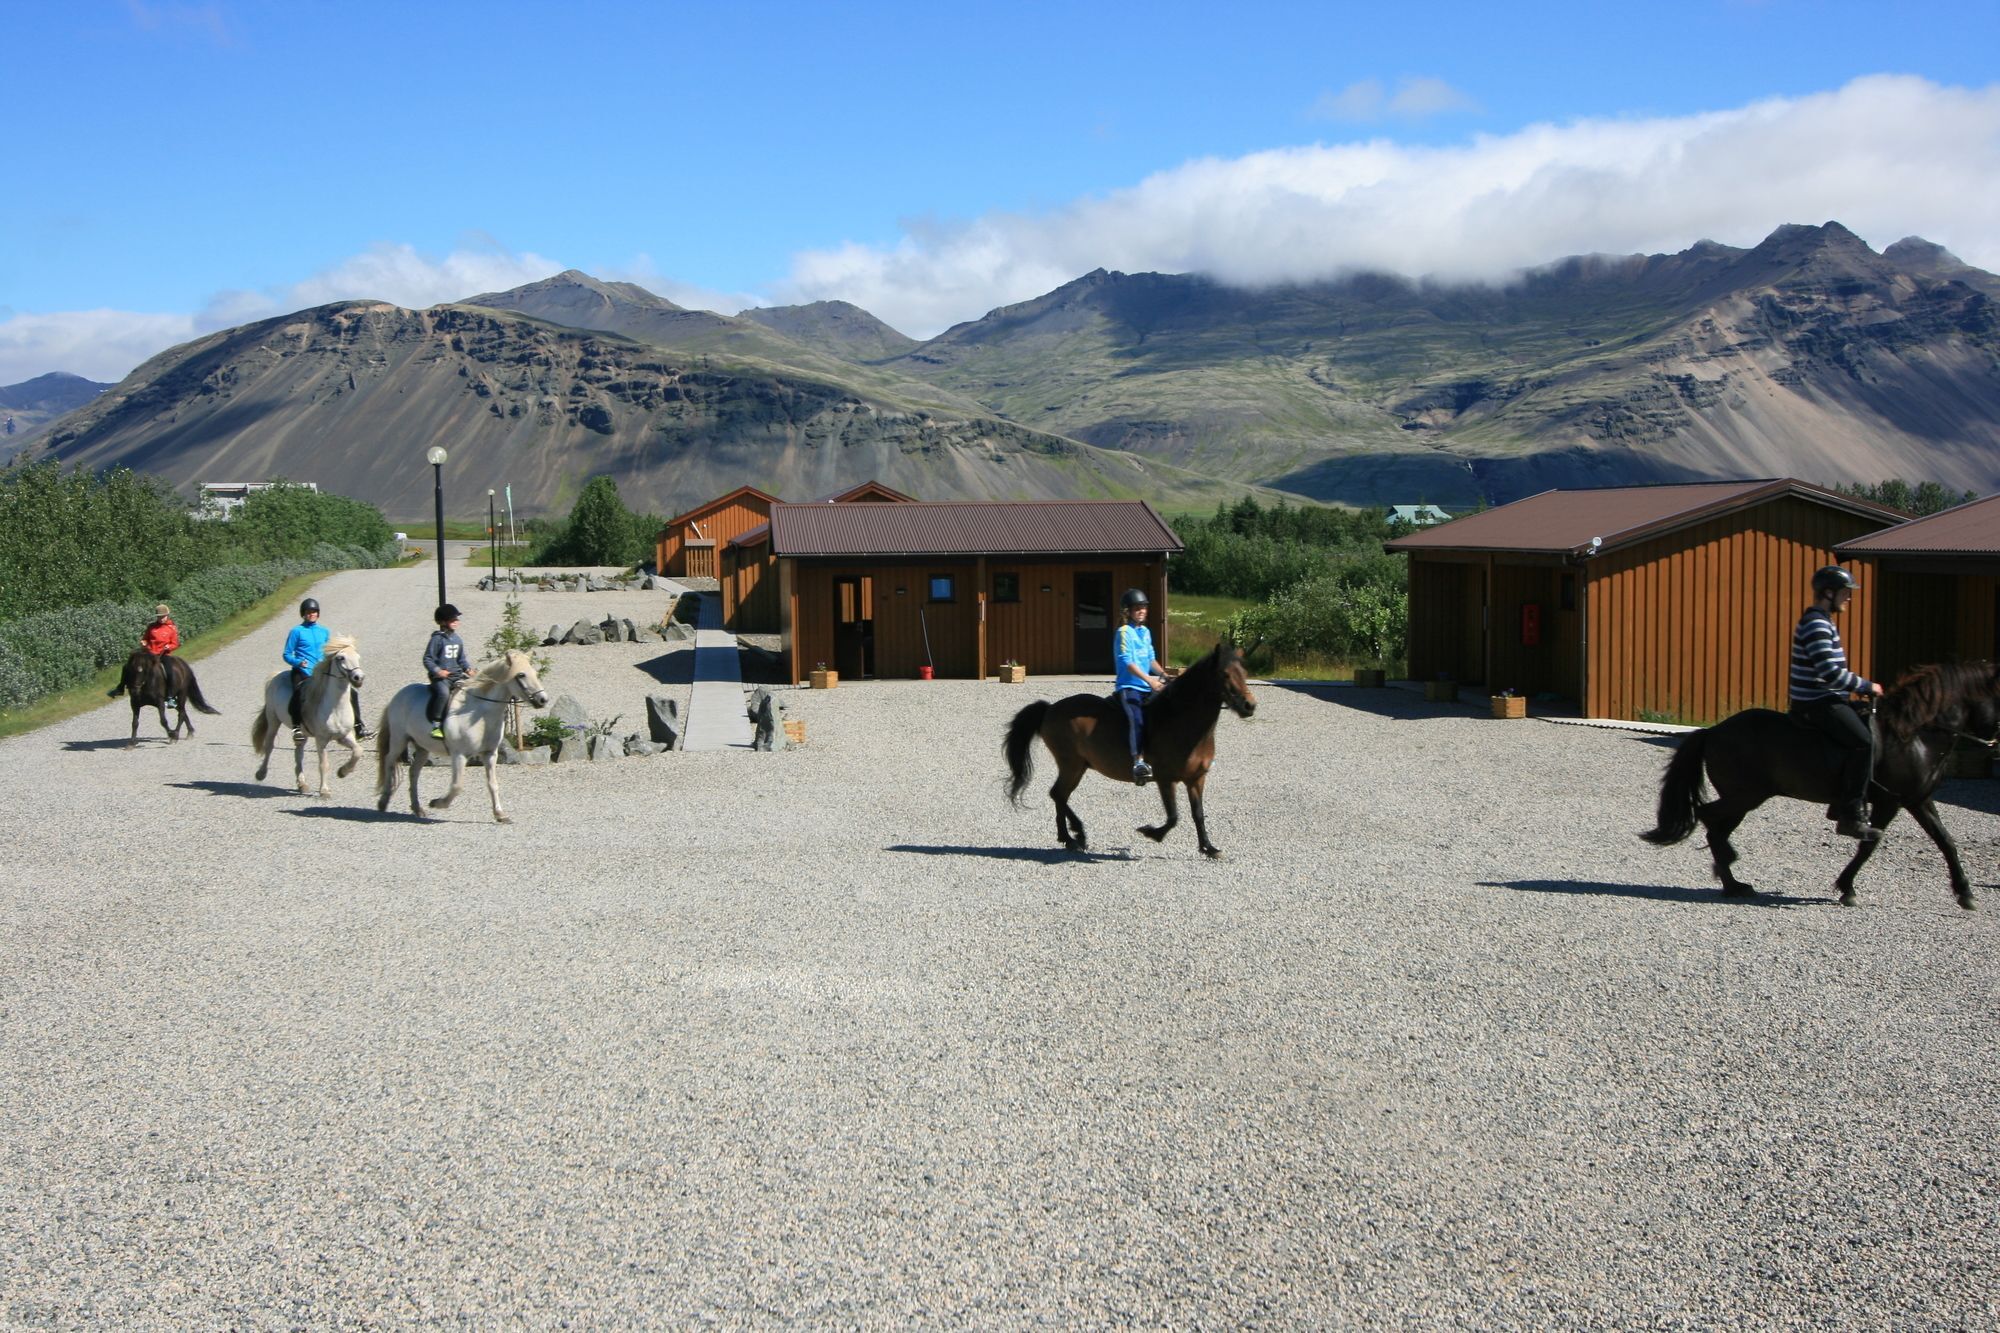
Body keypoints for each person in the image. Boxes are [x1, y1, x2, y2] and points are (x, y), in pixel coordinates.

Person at [1791, 565, 1882, 840]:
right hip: (1815, 702)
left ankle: (1841, 798)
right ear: (1828, 593)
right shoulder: (1817, 624)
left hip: (1825, 697)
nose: (1849, 598)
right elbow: (1830, 672)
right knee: (1863, 742)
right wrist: (1867, 686)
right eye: (1845, 592)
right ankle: (1850, 815)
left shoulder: (1822, 620)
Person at [1114, 587, 1168, 784]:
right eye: (1137, 608)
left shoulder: (1145, 632)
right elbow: (1127, 662)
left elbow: (1151, 659)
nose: (1142, 611)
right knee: (1136, 719)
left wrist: (1163, 675)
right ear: (1127, 611)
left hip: (1148, 686)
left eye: (1144, 608)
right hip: (1130, 687)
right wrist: (1150, 680)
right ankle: (1138, 762)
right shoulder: (1124, 632)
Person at [424, 603, 472, 740]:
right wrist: (438, 671)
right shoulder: (437, 639)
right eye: (453, 620)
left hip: (457, 675)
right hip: (441, 679)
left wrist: (468, 669)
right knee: (444, 694)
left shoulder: (457, 639)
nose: (456, 622)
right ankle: (436, 724)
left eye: (457, 619)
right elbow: (428, 659)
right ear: (443, 622)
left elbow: (461, 659)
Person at [142, 603, 180, 704]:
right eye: (159, 617)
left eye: (163, 617)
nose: (161, 619)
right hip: (150, 654)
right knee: (134, 666)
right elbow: (145, 638)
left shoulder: (171, 628)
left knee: (169, 672)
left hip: (163, 655)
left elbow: (175, 643)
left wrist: (169, 647)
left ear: (167, 616)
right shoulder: (151, 627)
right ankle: (121, 687)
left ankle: (171, 696)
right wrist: (144, 643)